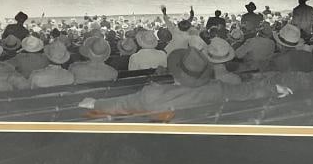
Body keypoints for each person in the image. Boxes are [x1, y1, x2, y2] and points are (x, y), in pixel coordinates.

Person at [79, 47, 291, 116]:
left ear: (176, 71)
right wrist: (273, 87)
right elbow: (246, 91)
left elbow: (121, 104)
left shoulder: (151, 95)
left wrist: (94, 103)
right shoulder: (217, 89)